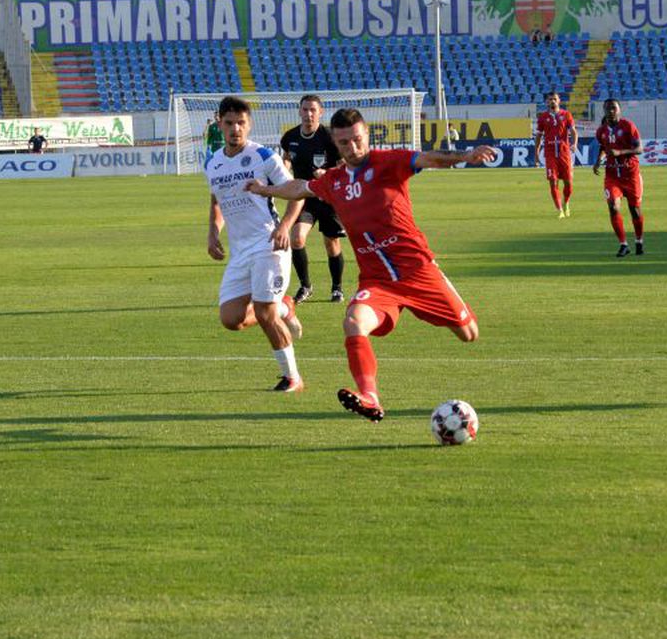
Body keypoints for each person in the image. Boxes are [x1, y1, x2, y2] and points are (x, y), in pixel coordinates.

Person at [245, 108, 498, 422]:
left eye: (357, 139)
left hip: (418, 271)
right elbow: (300, 188)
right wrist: (265, 189)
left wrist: (467, 155)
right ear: (336, 144)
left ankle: (427, 309)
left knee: (468, 333)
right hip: (377, 282)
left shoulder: (386, 162)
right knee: (353, 322)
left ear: (367, 135)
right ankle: (370, 396)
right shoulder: (334, 181)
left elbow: (429, 158)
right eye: (344, 143)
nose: (352, 147)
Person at [206, 96, 307, 393]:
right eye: (229, 123)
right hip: (239, 250)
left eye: (241, 123)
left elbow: (296, 191)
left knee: (264, 313)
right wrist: (213, 232)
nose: (236, 128)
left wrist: (285, 226)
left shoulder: (263, 156)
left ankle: (293, 378)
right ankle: (284, 306)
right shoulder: (213, 162)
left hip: (269, 243)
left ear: (249, 125)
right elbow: (217, 202)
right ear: (219, 123)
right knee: (231, 319)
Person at [280, 94, 347, 304]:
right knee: (297, 238)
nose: (309, 114)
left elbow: (343, 166)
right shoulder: (290, 137)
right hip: (303, 197)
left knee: (331, 243)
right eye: (305, 109)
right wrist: (283, 171)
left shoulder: (329, 137)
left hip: (327, 197)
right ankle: (305, 286)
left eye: (313, 110)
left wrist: (327, 173)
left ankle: (337, 288)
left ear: (320, 112)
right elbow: (287, 159)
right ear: (299, 111)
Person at [593, 98, 645, 257]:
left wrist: (620, 152)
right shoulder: (601, 131)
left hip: (630, 175)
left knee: (634, 210)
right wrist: (597, 161)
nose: (610, 111)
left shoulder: (628, 126)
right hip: (612, 176)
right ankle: (623, 244)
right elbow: (603, 147)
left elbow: (639, 149)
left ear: (619, 110)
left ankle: (639, 240)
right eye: (607, 108)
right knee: (613, 207)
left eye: (613, 108)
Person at [533, 91, 577, 218]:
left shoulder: (566, 115)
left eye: (554, 99)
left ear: (559, 101)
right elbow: (538, 136)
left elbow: (573, 131)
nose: (552, 101)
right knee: (553, 181)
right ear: (547, 102)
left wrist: (574, 143)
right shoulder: (542, 117)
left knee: (568, 183)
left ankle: (566, 203)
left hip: (564, 153)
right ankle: (560, 210)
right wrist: (536, 154)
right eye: (550, 99)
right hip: (550, 153)